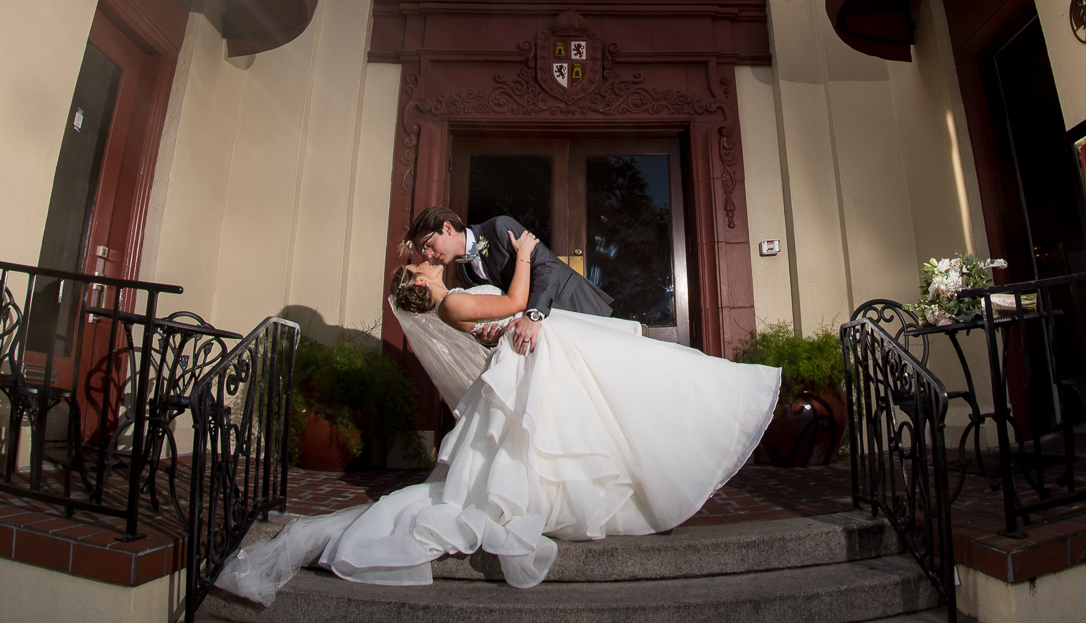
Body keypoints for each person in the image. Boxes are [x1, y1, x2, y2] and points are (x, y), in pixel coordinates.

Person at [217, 238, 779, 603]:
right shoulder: (453, 304)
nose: (426, 262)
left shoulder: (447, 299)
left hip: (521, 350)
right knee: (609, 395)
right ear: (420, 287)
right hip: (528, 343)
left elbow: (491, 313)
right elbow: (514, 299)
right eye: (420, 266)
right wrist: (529, 252)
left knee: (596, 404)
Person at [404, 205, 613, 355]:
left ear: (447, 228)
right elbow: (500, 310)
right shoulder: (464, 274)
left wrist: (533, 316)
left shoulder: (498, 227)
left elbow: (547, 266)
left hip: (571, 306)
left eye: (428, 244)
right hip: (542, 339)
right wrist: (490, 338)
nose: (429, 255)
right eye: (424, 251)